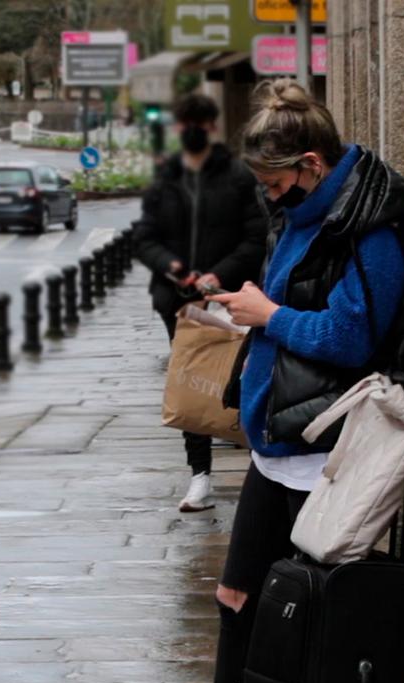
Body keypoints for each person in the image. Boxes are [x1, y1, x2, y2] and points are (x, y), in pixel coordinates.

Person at [134, 79, 404, 683]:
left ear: (313, 165)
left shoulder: (365, 229)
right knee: (235, 595)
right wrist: (243, 312)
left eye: (275, 180)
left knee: (303, 610)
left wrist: (268, 315)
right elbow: (289, 308)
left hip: (321, 448)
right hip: (278, 443)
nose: (268, 194)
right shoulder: (311, 214)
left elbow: (355, 338)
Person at [134, 93, 266, 513]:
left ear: (211, 127)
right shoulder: (165, 178)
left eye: (198, 123)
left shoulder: (236, 176)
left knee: (240, 380)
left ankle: (258, 465)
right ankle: (200, 475)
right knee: (190, 383)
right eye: (184, 122)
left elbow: (255, 235)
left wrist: (219, 273)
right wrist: (171, 266)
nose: (190, 130)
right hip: (179, 302)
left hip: (228, 297)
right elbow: (144, 237)